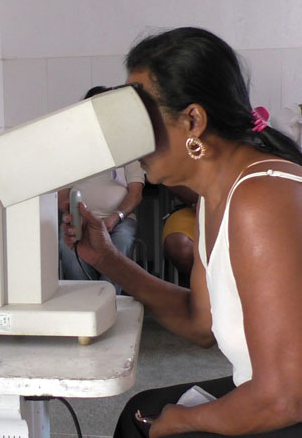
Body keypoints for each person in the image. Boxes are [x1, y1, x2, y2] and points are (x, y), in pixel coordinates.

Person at [62, 27, 302, 437]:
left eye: (139, 120)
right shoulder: (215, 195)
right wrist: (106, 259)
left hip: (285, 402)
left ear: (193, 120)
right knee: (138, 413)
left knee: (150, 425)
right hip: (275, 394)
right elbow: (200, 323)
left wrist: (187, 418)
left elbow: (284, 397)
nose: (129, 143)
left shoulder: (262, 196)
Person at [58, 86, 145, 294]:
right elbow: (62, 195)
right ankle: (84, 299)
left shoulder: (128, 146)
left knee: (122, 241)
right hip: (80, 219)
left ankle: (108, 299)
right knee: (67, 245)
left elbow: (136, 193)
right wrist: (75, 217)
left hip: (119, 220)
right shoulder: (72, 148)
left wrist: (114, 218)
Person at [161, 184, 198, 288]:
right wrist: (204, 199)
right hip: (192, 208)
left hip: (236, 207)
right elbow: (170, 179)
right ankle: (193, 291)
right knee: (179, 245)